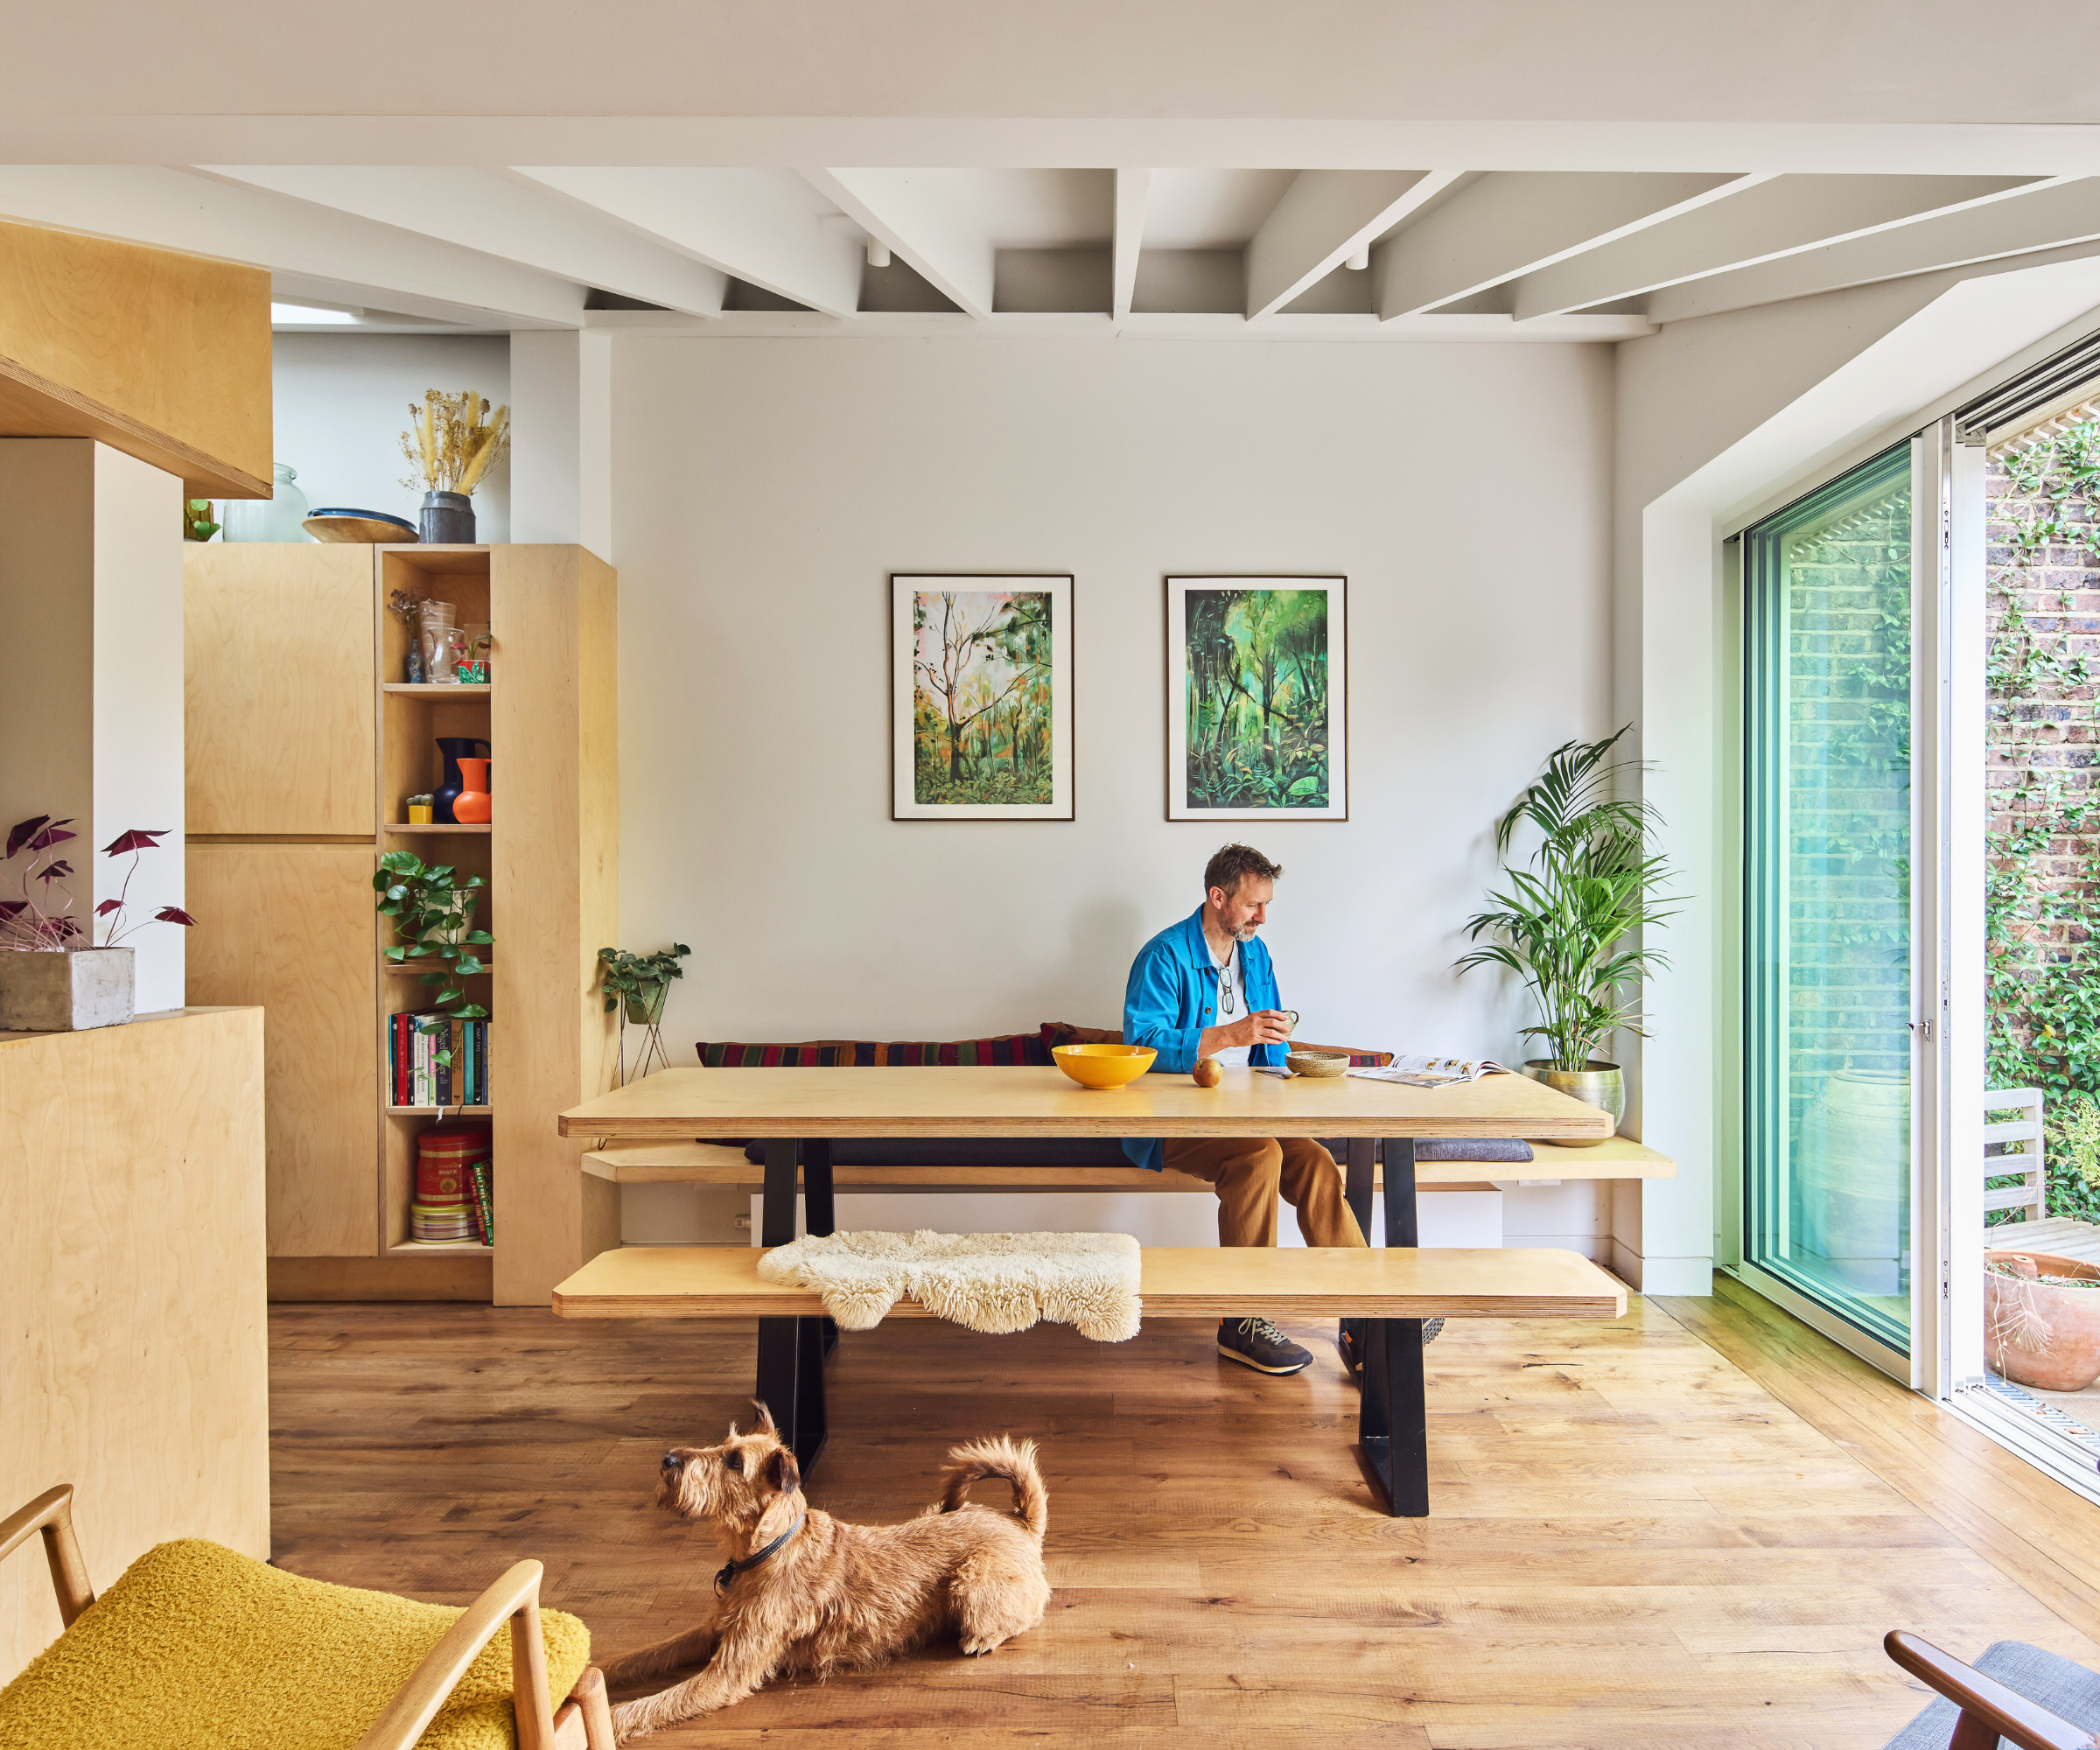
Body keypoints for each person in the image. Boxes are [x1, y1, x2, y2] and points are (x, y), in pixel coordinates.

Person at [1120, 843, 1367, 1376]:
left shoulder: (1255, 954)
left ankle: (1369, 1313)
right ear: (1218, 897)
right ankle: (1243, 1319)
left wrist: (1293, 1099)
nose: (1262, 917)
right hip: (1172, 1119)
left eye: (1266, 905)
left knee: (1314, 1160)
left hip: (1251, 1113)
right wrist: (1229, 1035)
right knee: (1258, 1157)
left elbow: (1270, 1045)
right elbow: (1141, 1045)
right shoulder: (1163, 956)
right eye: (1254, 905)